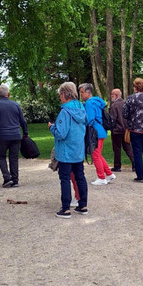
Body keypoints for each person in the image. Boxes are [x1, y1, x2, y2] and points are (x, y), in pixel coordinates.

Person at [48, 82, 88, 218]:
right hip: (78, 150)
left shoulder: (65, 112)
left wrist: (52, 127)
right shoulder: (81, 108)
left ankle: (65, 208)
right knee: (80, 177)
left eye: (60, 94)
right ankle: (83, 205)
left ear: (64, 94)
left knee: (64, 178)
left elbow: (61, 133)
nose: (60, 97)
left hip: (66, 151)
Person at [0, 84, 28, 187]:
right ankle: (15, 180)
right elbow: (22, 121)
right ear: (8, 94)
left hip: (2, 135)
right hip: (15, 135)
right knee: (14, 157)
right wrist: (25, 132)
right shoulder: (16, 105)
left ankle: (7, 178)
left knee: (0, 156)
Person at [79, 83, 115, 186]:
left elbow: (90, 119)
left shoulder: (89, 103)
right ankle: (108, 174)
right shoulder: (96, 102)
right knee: (98, 154)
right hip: (100, 130)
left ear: (88, 93)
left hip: (94, 132)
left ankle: (101, 177)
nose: (81, 94)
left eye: (82, 92)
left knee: (95, 155)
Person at [109, 88, 134, 172]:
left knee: (116, 148)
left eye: (112, 95)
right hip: (126, 129)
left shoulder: (114, 105)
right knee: (127, 147)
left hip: (117, 130)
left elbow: (112, 118)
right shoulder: (126, 103)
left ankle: (117, 166)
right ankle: (135, 164)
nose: (111, 96)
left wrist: (111, 128)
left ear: (116, 95)